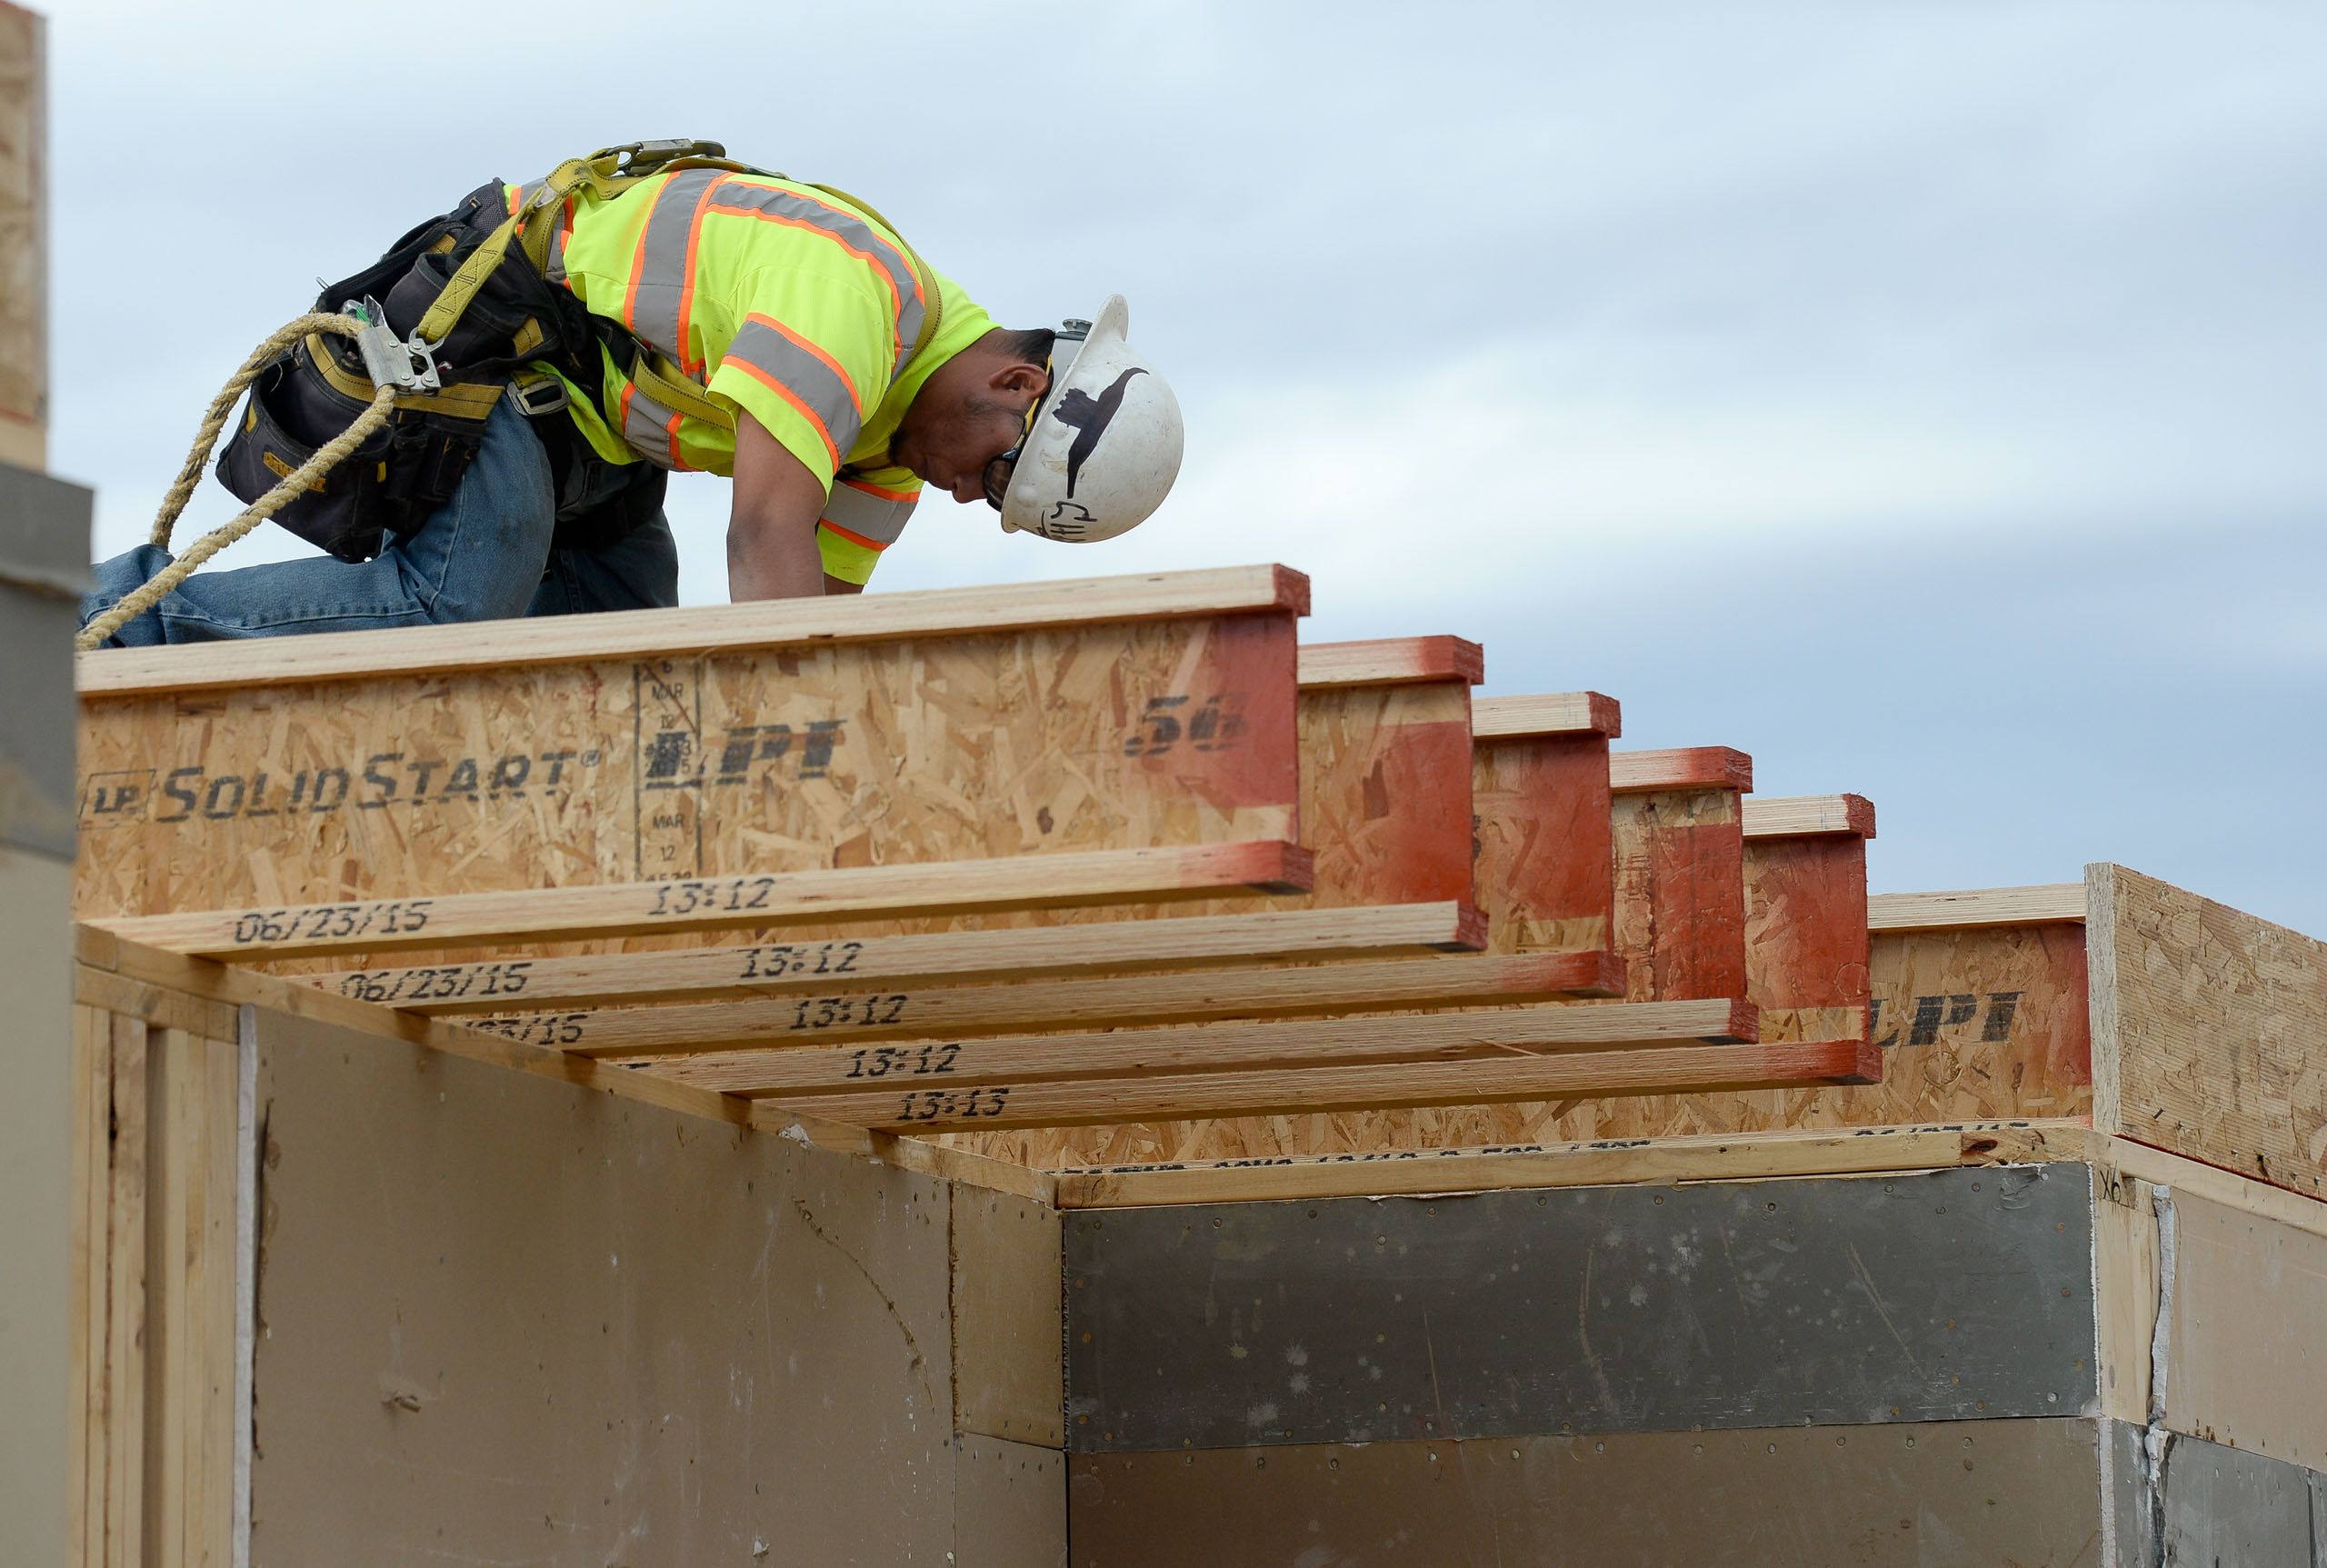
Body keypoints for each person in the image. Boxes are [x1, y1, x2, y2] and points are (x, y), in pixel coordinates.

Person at [81, 145, 1183, 645]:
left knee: (603, 656)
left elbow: (809, 631)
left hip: (589, 431)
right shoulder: (856, 299)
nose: (960, 497)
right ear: (1018, 381)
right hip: (495, 353)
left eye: (991, 504)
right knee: (455, 614)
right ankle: (92, 626)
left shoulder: (888, 451)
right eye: (994, 475)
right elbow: (763, 542)